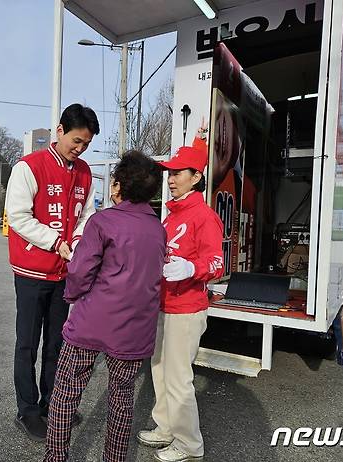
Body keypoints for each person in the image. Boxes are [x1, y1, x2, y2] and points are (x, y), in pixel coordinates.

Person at [44, 151, 166, 462]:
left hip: (91, 322)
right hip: (134, 330)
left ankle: (56, 457)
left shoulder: (102, 222)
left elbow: (81, 271)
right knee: (123, 399)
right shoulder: (158, 229)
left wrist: (72, 295)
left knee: (66, 393)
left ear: (119, 186)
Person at [5, 104, 99, 441]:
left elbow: (87, 214)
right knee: (27, 344)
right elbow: (17, 216)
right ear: (59, 131)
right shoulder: (29, 167)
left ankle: (51, 406)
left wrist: (76, 239)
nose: (80, 148)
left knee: (57, 344)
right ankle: (27, 410)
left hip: (64, 273)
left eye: (86, 144)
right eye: (76, 140)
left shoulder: (85, 173)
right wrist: (56, 241)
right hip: (31, 270)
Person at [137, 133, 225, 462]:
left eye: (178, 173)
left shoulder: (204, 216)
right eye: (170, 173)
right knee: (159, 370)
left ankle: (189, 444)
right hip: (163, 305)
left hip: (186, 310)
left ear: (196, 177)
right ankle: (165, 428)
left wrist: (192, 267)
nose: (171, 179)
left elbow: (217, 262)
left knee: (178, 379)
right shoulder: (172, 214)